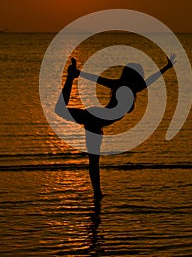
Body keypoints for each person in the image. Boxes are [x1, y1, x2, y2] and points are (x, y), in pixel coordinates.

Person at [55, 53, 176, 201]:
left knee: (93, 162)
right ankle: (97, 193)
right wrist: (79, 73)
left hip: (96, 121)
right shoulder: (125, 87)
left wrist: (167, 68)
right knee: (92, 160)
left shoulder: (132, 88)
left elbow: (151, 80)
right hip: (95, 119)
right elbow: (99, 79)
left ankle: (98, 194)